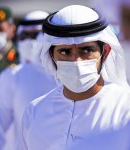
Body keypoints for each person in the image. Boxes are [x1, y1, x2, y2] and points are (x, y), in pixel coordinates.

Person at [18, 5, 130, 150]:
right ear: (52, 56)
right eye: (65, 52)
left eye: (86, 50)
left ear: (105, 52)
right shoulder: (35, 112)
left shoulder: (125, 108)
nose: (76, 61)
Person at [0, 11, 57, 150]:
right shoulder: (13, 76)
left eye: (34, 35)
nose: (28, 41)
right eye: (24, 36)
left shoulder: (70, 73)